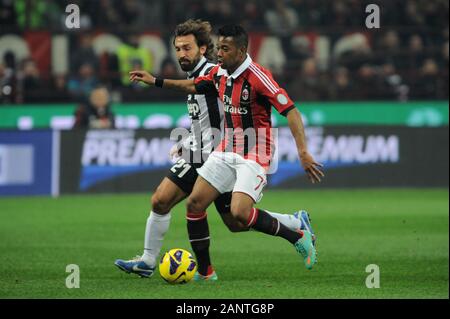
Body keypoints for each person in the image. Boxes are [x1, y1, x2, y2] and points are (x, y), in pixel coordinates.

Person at [115, 20, 316, 280]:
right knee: (216, 214)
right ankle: (207, 271)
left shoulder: (256, 76)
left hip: (251, 150)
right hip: (222, 149)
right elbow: (194, 89)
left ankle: (296, 234)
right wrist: (156, 82)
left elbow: (291, 111)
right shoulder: (218, 72)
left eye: (187, 48)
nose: (218, 55)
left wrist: (303, 152)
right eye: (178, 48)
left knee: (231, 213)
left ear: (240, 50)